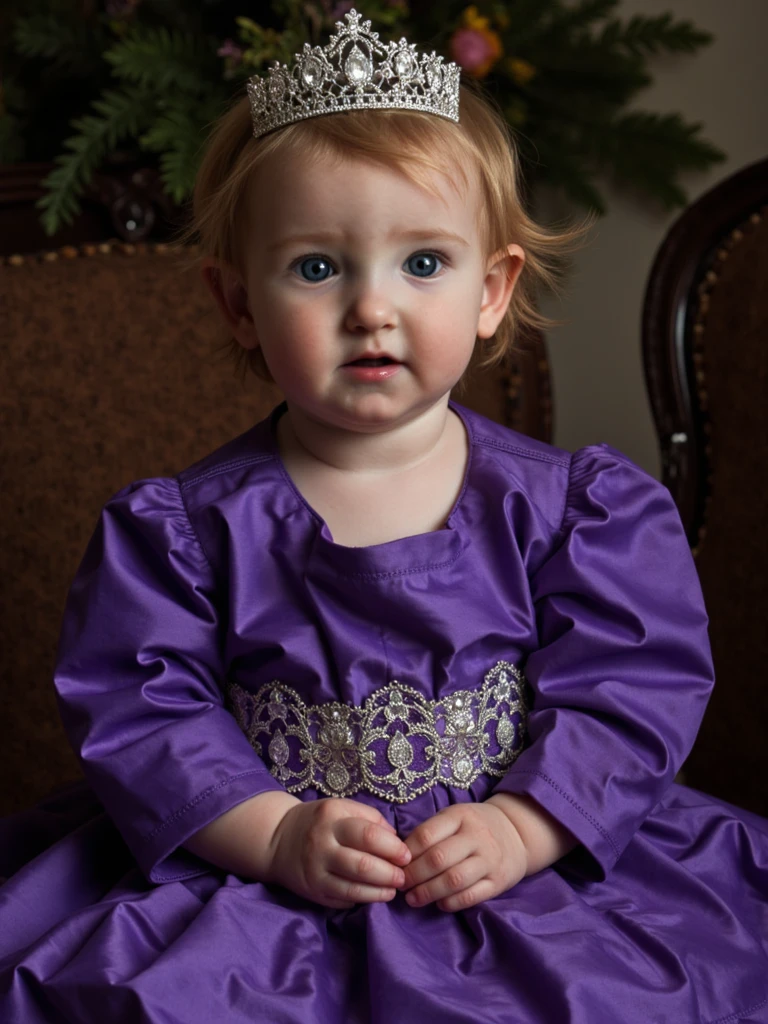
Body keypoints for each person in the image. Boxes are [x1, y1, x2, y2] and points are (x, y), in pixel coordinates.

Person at [1, 8, 767, 1022]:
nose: (373, 306)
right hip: (261, 878)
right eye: (317, 267)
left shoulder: (575, 511)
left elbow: (631, 685)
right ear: (238, 305)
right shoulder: (180, 530)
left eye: (423, 263)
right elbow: (146, 712)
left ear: (493, 290)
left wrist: (528, 824)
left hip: (522, 869)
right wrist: (272, 832)